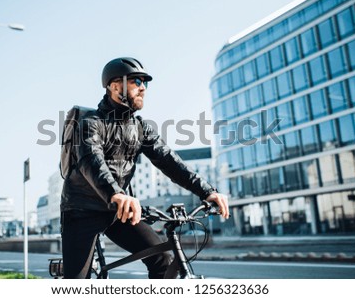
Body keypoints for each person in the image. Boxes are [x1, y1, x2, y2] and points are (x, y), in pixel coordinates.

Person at [60, 57, 229, 279]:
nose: (143, 88)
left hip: (117, 212)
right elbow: (92, 162)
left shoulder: (140, 128)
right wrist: (117, 194)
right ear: (114, 86)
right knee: (76, 284)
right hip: (82, 210)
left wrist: (207, 191)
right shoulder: (91, 123)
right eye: (136, 81)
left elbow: (169, 161)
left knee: (163, 259)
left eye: (145, 83)